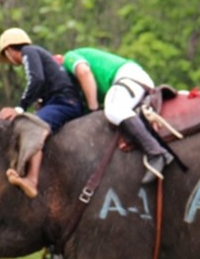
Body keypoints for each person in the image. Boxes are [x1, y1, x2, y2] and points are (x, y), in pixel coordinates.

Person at [63, 47, 173, 183]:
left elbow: (84, 72)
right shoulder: (79, 91)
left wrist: (93, 108)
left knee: (114, 108)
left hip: (127, 77)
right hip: (132, 79)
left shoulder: (67, 58)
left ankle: (156, 153)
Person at [0, 28, 84, 198]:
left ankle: (31, 180)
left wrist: (19, 108)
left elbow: (37, 79)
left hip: (64, 102)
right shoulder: (40, 54)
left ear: (8, 50)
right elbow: (45, 82)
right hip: (61, 100)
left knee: (30, 125)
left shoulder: (28, 52)